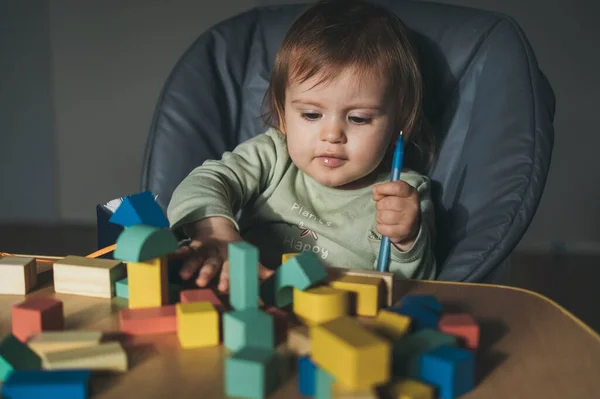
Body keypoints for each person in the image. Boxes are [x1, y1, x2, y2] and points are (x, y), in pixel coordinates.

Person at [167, 0, 437, 293]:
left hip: (335, 321)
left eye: (358, 118)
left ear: (400, 121)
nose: (332, 134)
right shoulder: (273, 155)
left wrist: (406, 242)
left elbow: (414, 287)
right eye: (311, 114)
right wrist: (216, 232)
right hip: (245, 299)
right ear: (283, 116)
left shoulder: (403, 193)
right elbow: (205, 182)